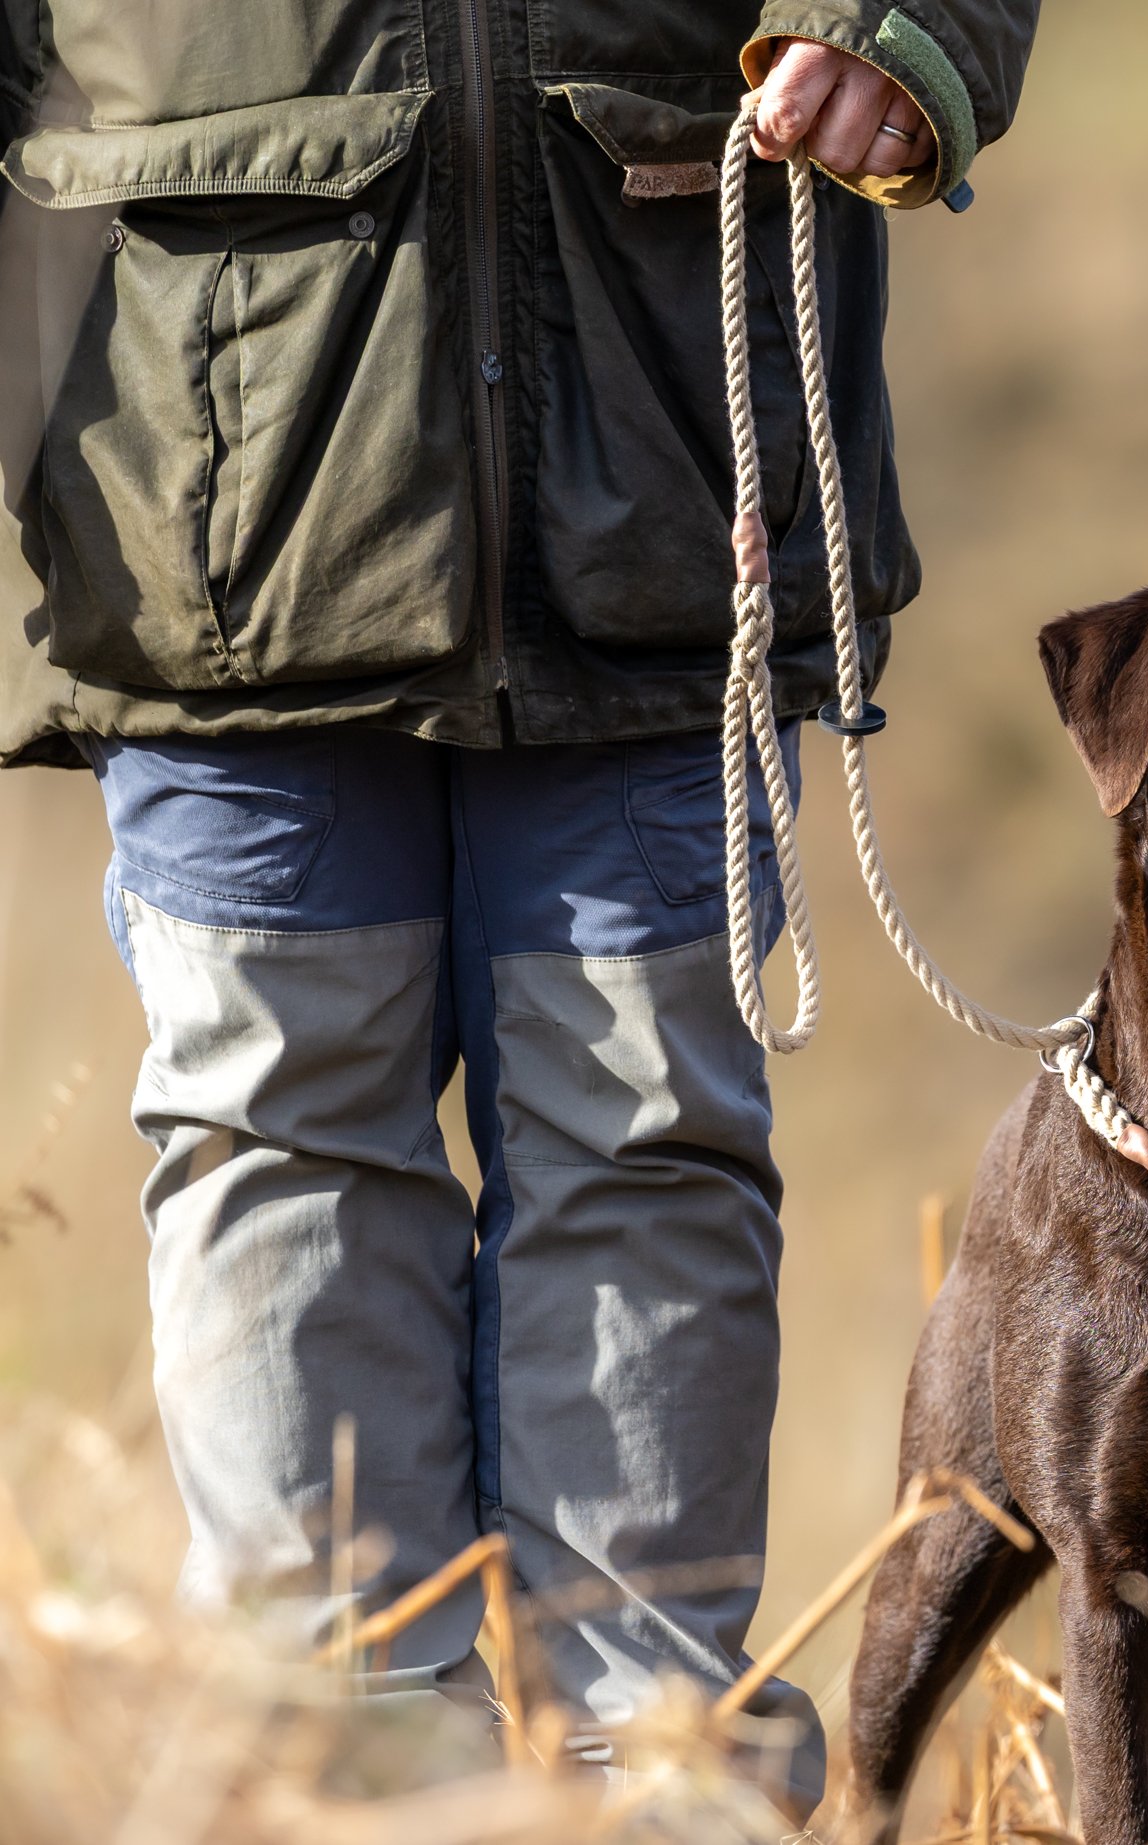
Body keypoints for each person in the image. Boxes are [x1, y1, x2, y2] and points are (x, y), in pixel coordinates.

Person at [0, 0, 1039, 1811]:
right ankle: (341, 1788)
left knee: (639, 1141)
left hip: (671, 459)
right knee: (277, 1146)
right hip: (204, 481)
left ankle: (664, 1792)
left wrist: (906, 21)